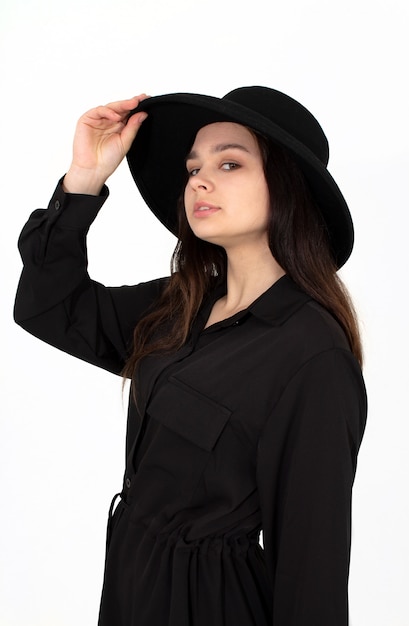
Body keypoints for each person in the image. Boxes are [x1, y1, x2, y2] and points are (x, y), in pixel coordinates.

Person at [14, 86, 367, 626]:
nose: (199, 180)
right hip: (131, 590)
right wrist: (83, 181)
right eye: (193, 166)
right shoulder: (182, 301)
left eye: (230, 163)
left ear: (288, 187)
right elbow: (47, 307)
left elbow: (311, 573)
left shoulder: (311, 354)